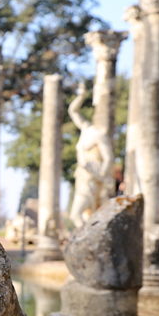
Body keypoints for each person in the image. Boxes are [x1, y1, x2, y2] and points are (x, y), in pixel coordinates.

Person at [68, 82, 114, 228]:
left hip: (92, 178)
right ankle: (85, 239)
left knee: (78, 213)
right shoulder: (86, 129)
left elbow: (108, 158)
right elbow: (73, 111)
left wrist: (100, 175)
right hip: (82, 175)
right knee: (82, 214)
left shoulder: (100, 135)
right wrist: (81, 96)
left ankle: (84, 239)